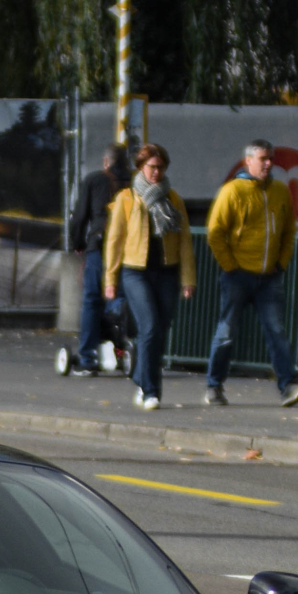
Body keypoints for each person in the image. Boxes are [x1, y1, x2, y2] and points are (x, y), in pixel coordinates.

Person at [203, 140, 298, 408]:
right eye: (263, 158)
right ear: (247, 162)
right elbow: (215, 232)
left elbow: (288, 231)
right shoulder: (232, 191)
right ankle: (214, 386)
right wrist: (230, 265)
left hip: (269, 277)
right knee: (226, 331)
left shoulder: (279, 191)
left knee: (277, 331)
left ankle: (288, 385)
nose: (268, 164)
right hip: (238, 275)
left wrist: (281, 263)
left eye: (271, 159)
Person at [99, 143, 193, 411]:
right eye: (152, 167)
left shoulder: (173, 199)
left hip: (166, 271)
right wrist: (110, 279)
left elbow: (184, 241)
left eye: (161, 167)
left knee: (160, 330)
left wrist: (188, 279)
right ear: (141, 167)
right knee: (149, 326)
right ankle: (150, 390)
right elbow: (114, 241)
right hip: (134, 272)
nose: (156, 172)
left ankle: (141, 376)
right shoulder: (126, 199)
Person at [58, 146, 130, 376]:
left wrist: (78, 244)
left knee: (91, 300)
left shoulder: (95, 179)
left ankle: (88, 357)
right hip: (128, 249)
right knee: (118, 298)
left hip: (100, 247)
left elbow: (80, 217)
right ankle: (121, 349)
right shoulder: (134, 183)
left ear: (106, 162)